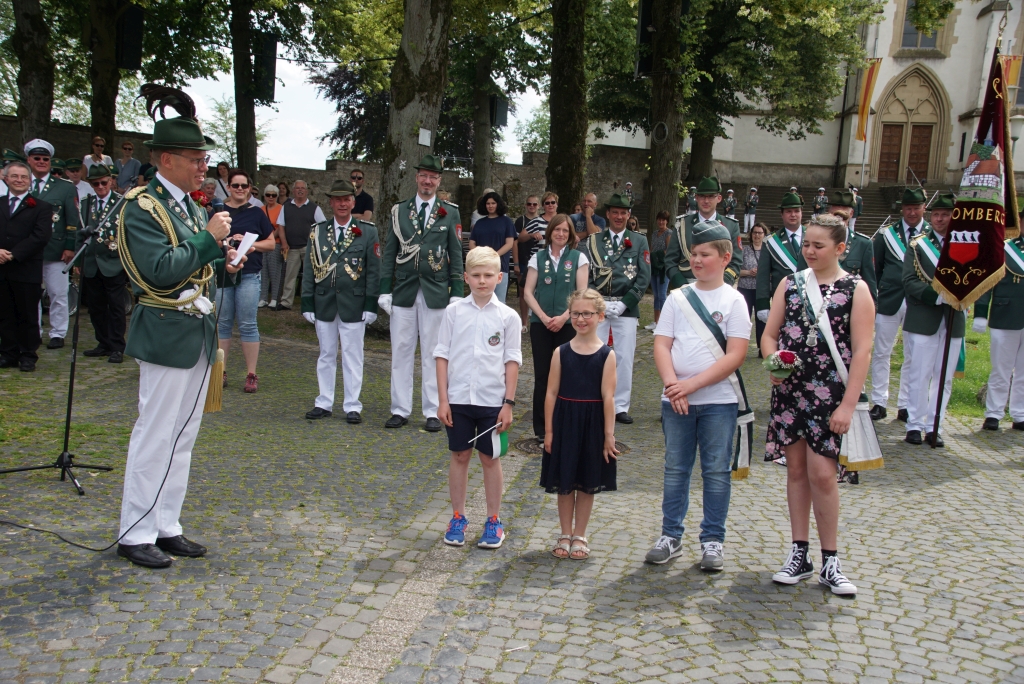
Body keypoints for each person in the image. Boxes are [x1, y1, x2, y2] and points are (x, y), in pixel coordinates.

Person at [116, 89, 246, 568]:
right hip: (166, 331)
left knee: (183, 435)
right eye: (195, 158)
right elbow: (158, 271)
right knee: (155, 432)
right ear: (166, 159)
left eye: (204, 158)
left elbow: (196, 267)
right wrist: (208, 239)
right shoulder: (141, 207)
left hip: (198, 331)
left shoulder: (189, 206)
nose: (203, 166)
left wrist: (223, 261)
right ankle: (135, 531)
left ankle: (166, 524)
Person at [762, 212, 873, 595]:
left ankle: (831, 560)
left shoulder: (856, 289)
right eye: (806, 244)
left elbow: (862, 351)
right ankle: (799, 552)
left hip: (831, 395)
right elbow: (770, 335)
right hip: (791, 393)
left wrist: (848, 406)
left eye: (818, 245)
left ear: (840, 247)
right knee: (796, 471)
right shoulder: (790, 284)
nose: (809, 250)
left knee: (823, 475)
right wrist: (774, 364)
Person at [647, 220, 751, 571]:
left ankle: (712, 541)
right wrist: (672, 384)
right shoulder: (677, 298)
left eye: (704, 254)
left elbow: (736, 355)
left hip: (719, 401)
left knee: (716, 471)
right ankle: (670, 536)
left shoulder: (735, 301)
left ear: (725, 258)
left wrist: (689, 386)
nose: (696, 260)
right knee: (675, 469)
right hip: (676, 399)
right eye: (693, 253)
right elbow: (662, 344)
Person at [436, 246, 521, 549]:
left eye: (488, 275)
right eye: (476, 275)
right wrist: (443, 399)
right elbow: (442, 355)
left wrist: (508, 403)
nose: (482, 281)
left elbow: (512, 360)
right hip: (458, 399)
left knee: (490, 458)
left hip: (492, 401)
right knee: (460, 455)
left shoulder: (508, 317)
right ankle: (458, 517)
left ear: (499, 277)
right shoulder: (453, 312)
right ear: (466, 277)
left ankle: (494, 520)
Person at [378, 154, 464, 432]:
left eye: (433, 177)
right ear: (416, 178)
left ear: (439, 181)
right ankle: (400, 409)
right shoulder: (399, 211)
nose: (428, 181)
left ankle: (432, 410)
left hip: (436, 290)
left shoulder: (450, 212)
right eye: (424, 176)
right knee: (401, 351)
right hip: (404, 289)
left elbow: (456, 253)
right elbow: (389, 252)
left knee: (433, 352)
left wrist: (457, 291)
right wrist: (384, 290)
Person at [541, 288, 617, 560]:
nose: (581, 319)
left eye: (587, 313)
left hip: (592, 424)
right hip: (565, 422)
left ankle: (580, 534)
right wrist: (549, 431)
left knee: (586, 481)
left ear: (600, 316)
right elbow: (551, 393)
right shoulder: (560, 352)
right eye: (575, 313)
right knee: (565, 481)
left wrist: (609, 435)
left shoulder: (607, 355)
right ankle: (565, 532)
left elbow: (608, 397)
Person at [301, 179, 381, 423]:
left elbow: (373, 271)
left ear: (353, 202)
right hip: (324, 301)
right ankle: (324, 402)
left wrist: (371, 304)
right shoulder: (317, 231)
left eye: (346, 199)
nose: (342, 204)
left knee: (353, 356)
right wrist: (307, 302)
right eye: (338, 200)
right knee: (326, 354)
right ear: (331, 203)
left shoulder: (368, 231)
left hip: (354, 303)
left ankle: (352, 405)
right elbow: (309, 268)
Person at [581, 193, 651, 424]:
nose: (619, 217)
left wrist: (624, 303)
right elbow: (587, 275)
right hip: (598, 305)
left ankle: (620, 405)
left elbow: (644, 277)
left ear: (629, 215)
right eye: (615, 212)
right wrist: (599, 303)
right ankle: (594, 401)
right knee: (594, 354)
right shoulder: (594, 241)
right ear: (608, 214)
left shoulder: (639, 241)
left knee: (624, 357)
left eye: (623, 213)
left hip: (626, 308)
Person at [901, 192, 962, 447]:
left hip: (953, 318)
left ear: (954, 217)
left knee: (943, 376)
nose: (939, 219)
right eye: (935, 214)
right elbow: (909, 281)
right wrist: (937, 297)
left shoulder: (964, 245)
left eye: (945, 215)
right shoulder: (918, 245)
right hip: (924, 316)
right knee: (920, 373)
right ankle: (914, 424)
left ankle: (934, 425)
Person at [523, 214, 590, 441]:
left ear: (570, 234)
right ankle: (541, 428)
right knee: (542, 375)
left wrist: (563, 317)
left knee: (567, 375)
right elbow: (528, 292)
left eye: (565, 230)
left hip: (568, 324)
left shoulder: (579, 258)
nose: (560, 234)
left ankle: (564, 425)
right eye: (557, 229)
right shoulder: (538, 257)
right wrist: (543, 317)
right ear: (550, 231)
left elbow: (581, 294)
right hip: (540, 324)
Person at [869, 188, 928, 421]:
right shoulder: (887, 234)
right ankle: (879, 401)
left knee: (912, 355)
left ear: (924, 208)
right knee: (882, 352)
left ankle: (905, 404)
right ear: (902, 209)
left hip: (919, 302)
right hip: (889, 299)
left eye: (916, 208)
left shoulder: (931, 234)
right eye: (908, 208)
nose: (912, 213)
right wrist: (877, 295)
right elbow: (876, 269)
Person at [215, 169, 276, 393]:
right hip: (223, 274)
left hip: (249, 273)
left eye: (244, 186)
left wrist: (250, 245)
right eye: (235, 185)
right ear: (228, 187)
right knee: (223, 323)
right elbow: (208, 238)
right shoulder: (219, 211)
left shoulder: (257, 213)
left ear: (249, 188)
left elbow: (271, 243)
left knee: (248, 324)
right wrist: (227, 242)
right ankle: (220, 371)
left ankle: (251, 374)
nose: (239, 189)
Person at [24, 139, 79, 350]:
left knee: (58, 293)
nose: (41, 162)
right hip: (27, 249)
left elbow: (72, 220)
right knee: (31, 294)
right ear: (29, 160)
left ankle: (58, 332)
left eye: (45, 159)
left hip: (56, 249)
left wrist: (70, 246)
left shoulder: (64, 187)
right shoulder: (21, 183)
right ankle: (34, 331)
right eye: (37, 158)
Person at [0, 161, 52, 371]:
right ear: (6, 179)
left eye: (23, 177)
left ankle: (28, 355)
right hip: (1, 269)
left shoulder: (41, 207)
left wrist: (13, 254)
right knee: (5, 314)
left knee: (28, 315)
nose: (19, 180)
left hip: (26, 268)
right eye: (14, 176)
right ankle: (8, 353)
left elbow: (40, 237)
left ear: (30, 181)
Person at [976, 206, 1024, 431]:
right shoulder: (1004, 249)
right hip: (1005, 315)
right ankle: (994, 413)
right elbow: (986, 282)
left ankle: (1020, 414)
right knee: (1001, 369)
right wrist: (980, 313)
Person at [76, 164, 127, 363]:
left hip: (113, 261)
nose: (100, 186)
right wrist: (78, 260)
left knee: (116, 306)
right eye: (95, 183)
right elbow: (79, 233)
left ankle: (117, 346)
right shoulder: (86, 203)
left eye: (104, 182)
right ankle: (103, 342)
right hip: (91, 261)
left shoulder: (121, 203)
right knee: (95, 306)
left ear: (111, 181)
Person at [665, 176, 742, 291]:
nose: (706, 201)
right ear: (696, 197)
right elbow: (670, 261)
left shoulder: (731, 226)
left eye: (711, 196)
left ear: (719, 198)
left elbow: (736, 262)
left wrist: (721, 285)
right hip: (686, 286)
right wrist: (682, 286)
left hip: (719, 288)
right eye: (702, 196)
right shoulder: (682, 224)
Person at [755, 192, 807, 325]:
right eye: (789, 211)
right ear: (782, 214)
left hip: (812, 298)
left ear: (802, 212)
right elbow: (763, 276)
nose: (793, 215)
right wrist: (763, 304)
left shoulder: (814, 236)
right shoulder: (771, 242)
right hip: (783, 301)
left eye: (797, 211)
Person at [276, 179, 327, 310]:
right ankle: (286, 302)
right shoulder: (286, 207)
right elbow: (281, 226)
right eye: (297, 188)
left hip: (309, 248)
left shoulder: (315, 208)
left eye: (302, 188)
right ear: (293, 191)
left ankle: (312, 301)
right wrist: (284, 242)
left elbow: (323, 227)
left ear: (306, 191)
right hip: (291, 247)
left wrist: (317, 245)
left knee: (311, 276)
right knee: (290, 276)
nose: (300, 190)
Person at [828, 190, 877, 299]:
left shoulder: (863, 244)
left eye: (843, 214)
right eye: (836, 214)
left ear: (851, 214)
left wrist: (872, 307)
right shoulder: (816, 242)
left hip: (851, 304)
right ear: (829, 213)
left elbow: (869, 283)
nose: (839, 218)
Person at [469, 191, 517, 302]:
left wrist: (493, 256)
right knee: (481, 300)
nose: (490, 206)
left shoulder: (506, 221)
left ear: (498, 204)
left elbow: (509, 243)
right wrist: (481, 255)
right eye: (488, 203)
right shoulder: (479, 223)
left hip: (500, 266)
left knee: (499, 301)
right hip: (481, 265)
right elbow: (472, 243)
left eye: (493, 203)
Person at [738, 223, 766, 354]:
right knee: (744, 318)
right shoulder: (744, 250)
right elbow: (735, 270)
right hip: (745, 289)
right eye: (755, 232)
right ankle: (739, 348)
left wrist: (761, 272)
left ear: (764, 235)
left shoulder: (767, 251)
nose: (757, 235)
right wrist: (749, 272)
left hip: (762, 290)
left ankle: (762, 348)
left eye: (760, 233)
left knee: (762, 319)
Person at [514, 195, 541, 326]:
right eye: (529, 204)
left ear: (538, 206)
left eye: (534, 204)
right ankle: (524, 323)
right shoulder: (520, 221)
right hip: (524, 259)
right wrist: (516, 263)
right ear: (525, 205)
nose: (531, 206)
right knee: (523, 291)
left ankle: (536, 320)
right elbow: (515, 242)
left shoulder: (542, 220)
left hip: (538, 260)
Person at [259, 185, 285, 309]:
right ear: (264, 196)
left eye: (273, 195)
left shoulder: (281, 209)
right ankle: (263, 297)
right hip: (262, 243)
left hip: (276, 242)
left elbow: (280, 226)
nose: (271, 197)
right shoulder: (261, 209)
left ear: (277, 196)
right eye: (268, 195)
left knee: (275, 271)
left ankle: (275, 298)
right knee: (263, 271)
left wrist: (271, 238)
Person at [646, 210, 671, 331]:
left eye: (663, 220)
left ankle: (664, 322)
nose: (661, 222)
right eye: (659, 219)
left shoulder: (668, 233)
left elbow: (668, 250)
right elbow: (651, 248)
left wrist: (657, 256)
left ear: (667, 221)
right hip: (654, 267)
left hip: (663, 268)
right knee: (656, 295)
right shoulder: (655, 233)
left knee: (662, 295)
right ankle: (656, 321)